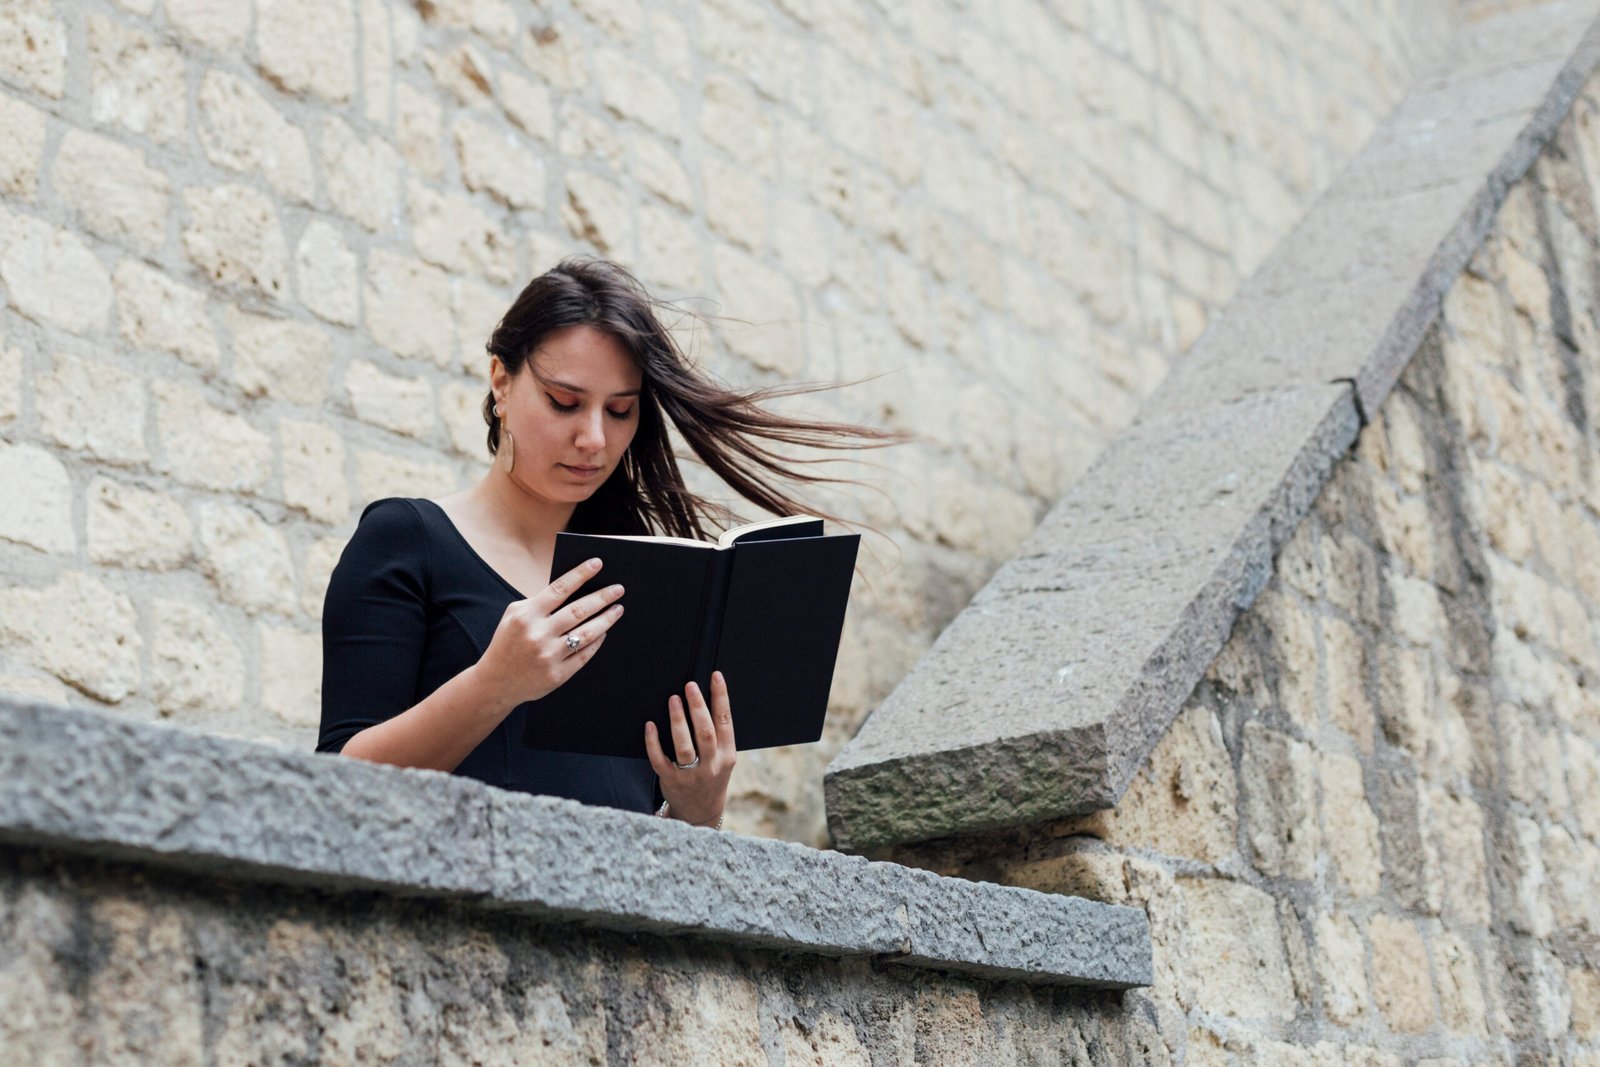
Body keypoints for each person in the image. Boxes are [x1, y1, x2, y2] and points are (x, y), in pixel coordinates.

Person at [317, 257, 894, 830]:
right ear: (501, 381)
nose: (593, 438)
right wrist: (495, 683)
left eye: (620, 411)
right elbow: (334, 790)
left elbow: (636, 834)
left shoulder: (646, 582)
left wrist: (697, 809)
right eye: (564, 402)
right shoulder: (407, 542)